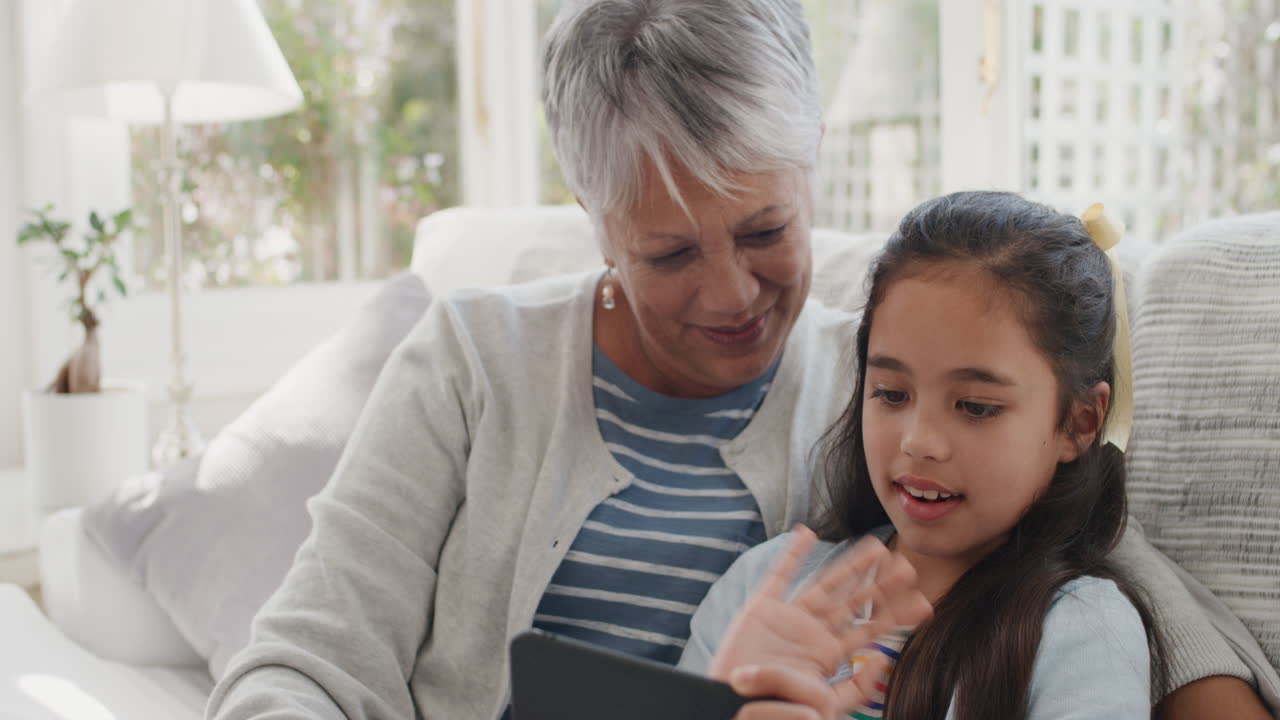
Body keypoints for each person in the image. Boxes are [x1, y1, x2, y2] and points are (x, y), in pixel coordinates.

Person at [207, 3, 1265, 719]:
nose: (728, 295)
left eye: (762, 230)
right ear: (594, 219)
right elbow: (309, 657)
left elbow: (1060, 523)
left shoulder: (881, 378)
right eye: (666, 250)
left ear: (810, 167)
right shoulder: (474, 362)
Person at [678, 192, 1267, 719]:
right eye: (891, 394)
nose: (918, 441)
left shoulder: (1082, 629)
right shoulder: (763, 586)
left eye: (977, 407)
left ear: (1080, 421)